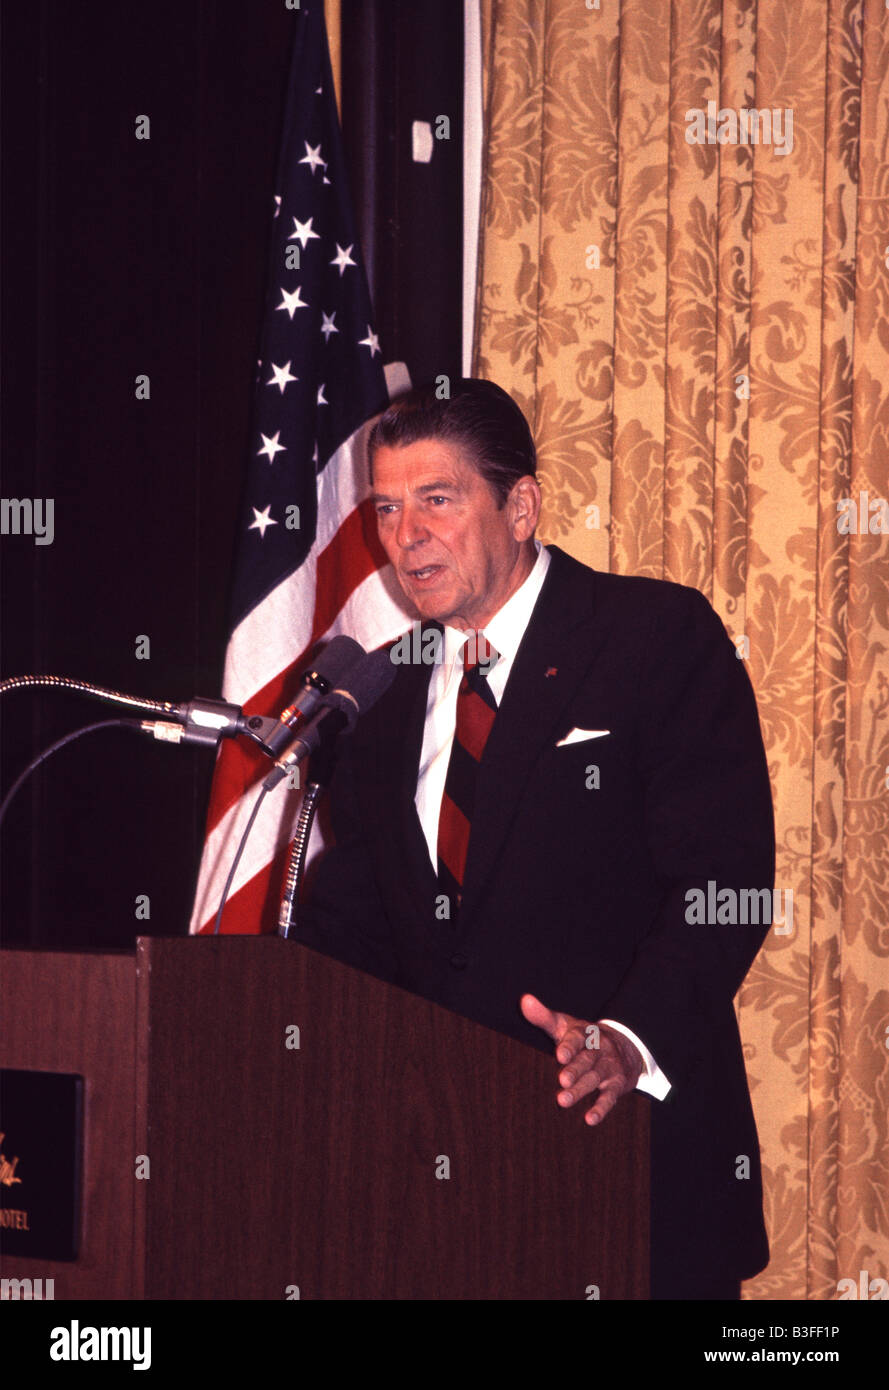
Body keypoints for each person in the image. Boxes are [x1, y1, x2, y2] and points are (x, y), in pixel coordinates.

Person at [297, 378, 775, 1300]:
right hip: (437, 1195)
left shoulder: (651, 636)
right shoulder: (380, 693)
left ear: (520, 505)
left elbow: (723, 884)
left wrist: (627, 1040)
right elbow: (355, 925)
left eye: (437, 499)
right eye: (387, 509)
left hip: (628, 1167)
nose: (406, 536)